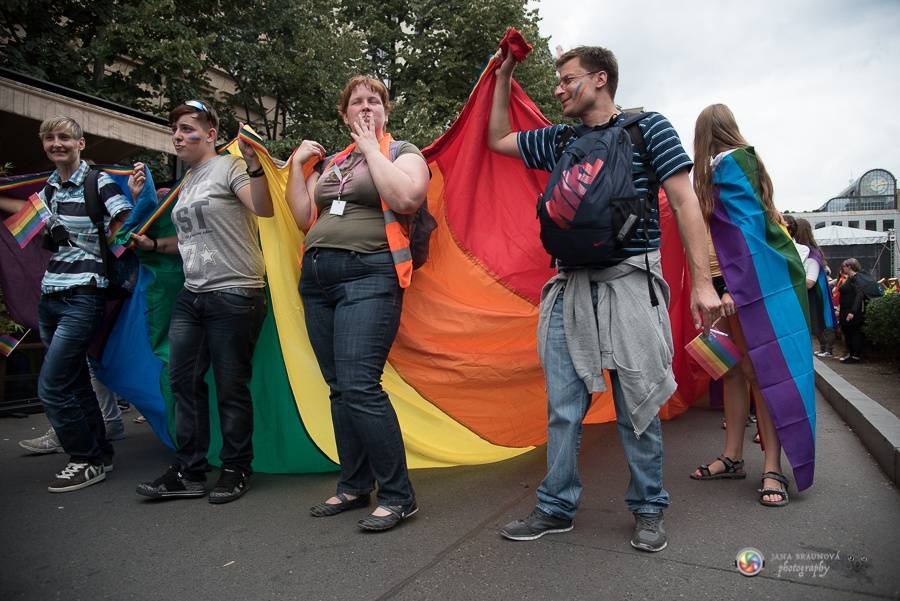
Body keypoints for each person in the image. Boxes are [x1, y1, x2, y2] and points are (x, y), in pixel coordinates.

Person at [487, 46, 720, 551]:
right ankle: (555, 506)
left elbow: (684, 200)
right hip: (569, 286)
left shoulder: (649, 127)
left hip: (631, 281)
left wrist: (703, 281)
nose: (558, 89)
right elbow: (498, 139)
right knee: (563, 406)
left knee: (637, 402)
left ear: (599, 79)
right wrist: (504, 74)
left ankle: (649, 506)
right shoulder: (562, 139)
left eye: (567, 80)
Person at [252, 75, 429, 531]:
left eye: (374, 101)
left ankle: (398, 496)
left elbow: (408, 197)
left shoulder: (401, 152)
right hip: (318, 280)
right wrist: (297, 168)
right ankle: (354, 485)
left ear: (386, 111)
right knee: (339, 388)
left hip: (369, 274)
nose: (365, 107)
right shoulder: (333, 163)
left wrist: (371, 146)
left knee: (359, 384)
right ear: (343, 113)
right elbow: (303, 216)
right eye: (356, 102)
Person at [133, 100, 273, 504]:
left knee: (230, 387)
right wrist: (156, 244)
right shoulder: (187, 182)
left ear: (211, 134)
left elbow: (262, 207)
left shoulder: (229, 168)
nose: (178, 135)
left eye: (188, 128)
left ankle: (236, 467)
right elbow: (191, 237)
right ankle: (190, 471)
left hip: (235, 292)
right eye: (175, 129)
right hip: (192, 295)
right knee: (183, 383)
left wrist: (254, 164)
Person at [0, 116, 143, 492]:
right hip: (51, 295)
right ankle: (100, 454)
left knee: (52, 385)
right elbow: (26, 215)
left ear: (81, 144)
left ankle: (84, 458)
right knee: (76, 381)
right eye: (49, 138)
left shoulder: (99, 183)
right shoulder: (50, 187)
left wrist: (103, 246)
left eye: (64, 137)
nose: (56, 144)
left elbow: (127, 222)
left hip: (85, 293)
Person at [691, 103, 814, 507]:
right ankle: (733, 456)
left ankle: (772, 466)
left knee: (760, 372)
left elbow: (747, 233)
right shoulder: (733, 165)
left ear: (706, 134)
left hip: (745, 281)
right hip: (732, 281)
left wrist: (734, 290)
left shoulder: (731, 163)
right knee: (731, 370)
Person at [788, 217, 837, 358]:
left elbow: (810, 281)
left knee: (821, 319)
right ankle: (825, 347)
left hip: (814, 294)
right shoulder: (814, 251)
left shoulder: (808, 253)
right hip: (817, 293)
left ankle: (826, 348)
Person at [837, 258, 867, 363]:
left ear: (849, 266)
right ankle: (851, 354)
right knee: (848, 333)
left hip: (851, 311)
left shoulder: (856, 278)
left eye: (844, 266)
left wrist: (852, 312)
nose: (842, 268)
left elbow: (859, 295)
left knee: (854, 333)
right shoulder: (850, 278)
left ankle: (855, 356)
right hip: (845, 309)